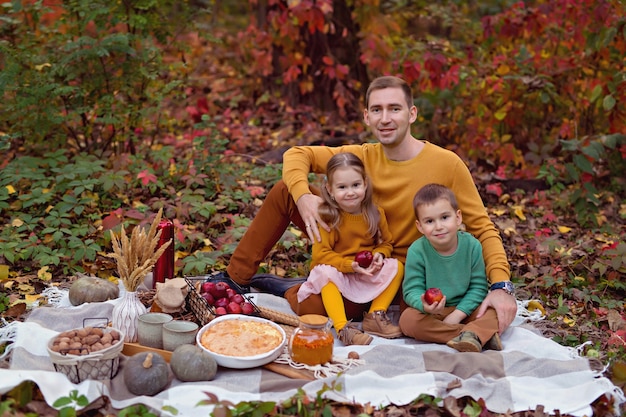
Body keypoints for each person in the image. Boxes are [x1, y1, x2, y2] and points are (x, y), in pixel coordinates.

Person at [214, 75, 517, 335]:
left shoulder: (447, 164)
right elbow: (297, 154)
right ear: (367, 117)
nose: (385, 118)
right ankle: (235, 278)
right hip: (350, 245)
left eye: (394, 109)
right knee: (286, 190)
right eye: (377, 110)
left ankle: (291, 287)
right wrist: (304, 195)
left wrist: (502, 286)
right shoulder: (361, 156)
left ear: (411, 114)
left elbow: (483, 228)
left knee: (311, 305)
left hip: (399, 271)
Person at [296, 152, 404, 345]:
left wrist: (379, 254)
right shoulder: (328, 216)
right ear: (329, 190)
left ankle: (375, 316)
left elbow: (386, 243)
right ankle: (342, 328)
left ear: (365, 183)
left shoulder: (375, 213)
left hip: (365, 272)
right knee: (323, 272)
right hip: (339, 272)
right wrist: (349, 265)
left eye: (356, 185)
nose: (350, 192)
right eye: (342, 187)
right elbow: (321, 255)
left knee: (397, 266)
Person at [398, 183, 501, 352]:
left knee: (493, 312)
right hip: (432, 313)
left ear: (458, 217)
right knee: (408, 320)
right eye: (430, 221)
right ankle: (476, 335)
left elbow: (478, 287)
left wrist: (458, 314)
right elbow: (411, 290)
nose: (439, 226)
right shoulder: (417, 251)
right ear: (420, 227)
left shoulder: (472, 245)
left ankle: (471, 334)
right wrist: (424, 305)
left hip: (466, 308)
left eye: (445, 217)